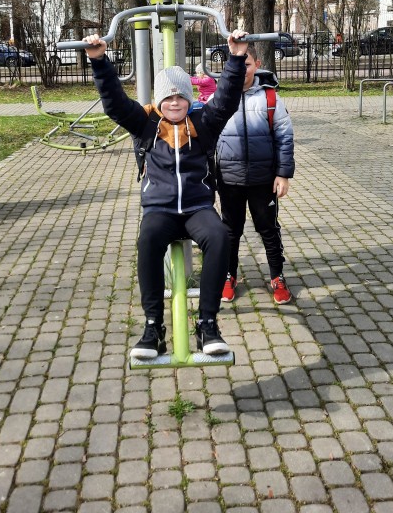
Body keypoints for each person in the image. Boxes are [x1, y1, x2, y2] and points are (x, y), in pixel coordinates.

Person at [84, 30, 248, 359]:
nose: (174, 103)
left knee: (219, 236)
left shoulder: (202, 122)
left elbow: (228, 98)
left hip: (197, 208)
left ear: (189, 99)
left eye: (181, 97)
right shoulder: (146, 123)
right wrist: (99, 61)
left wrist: (237, 57)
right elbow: (114, 103)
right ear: (160, 101)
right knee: (148, 239)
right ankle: (152, 327)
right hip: (160, 209)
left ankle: (207, 324)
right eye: (168, 98)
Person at [216, 45, 295, 305]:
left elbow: (284, 137)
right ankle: (228, 275)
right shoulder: (219, 97)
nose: (242, 69)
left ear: (257, 64)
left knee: (268, 229)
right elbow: (207, 138)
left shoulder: (270, 98)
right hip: (229, 179)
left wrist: (283, 174)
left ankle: (277, 276)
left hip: (263, 179)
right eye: (236, 64)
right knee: (230, 231)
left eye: (246, 64)